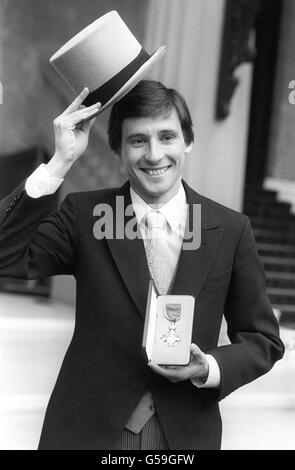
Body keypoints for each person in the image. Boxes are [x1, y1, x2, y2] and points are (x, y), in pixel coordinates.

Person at [0, 80, 284, 450]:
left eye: (167, 137)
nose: (154, 154)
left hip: (183, 435)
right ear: (117, 149)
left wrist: (209, 367)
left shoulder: (230, 230)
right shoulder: (86, 215)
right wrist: (60, 161)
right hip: (87, 431)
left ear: (188, 142)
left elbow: (263, 339)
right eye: (138, 141)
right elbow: (6, 254)